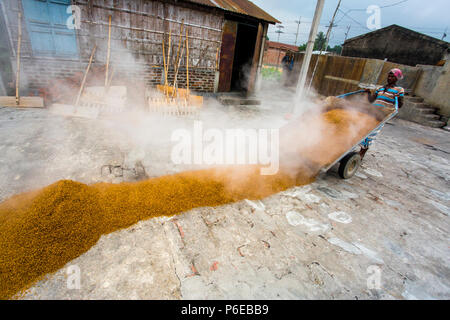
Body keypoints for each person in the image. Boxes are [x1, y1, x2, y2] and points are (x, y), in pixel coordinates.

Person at [360, 68, 404, 159]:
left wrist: (398, 98)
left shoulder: (399, 90)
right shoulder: (381, 88)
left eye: (392, 76)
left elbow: (399, 105)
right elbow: (371, 100)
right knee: (362, 130)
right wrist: (368, 93)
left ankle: (362, 153)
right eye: (389, 75)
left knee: (371, 134)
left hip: (382, 116)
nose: (390, 78)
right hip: (372, 112)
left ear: (397, 78)